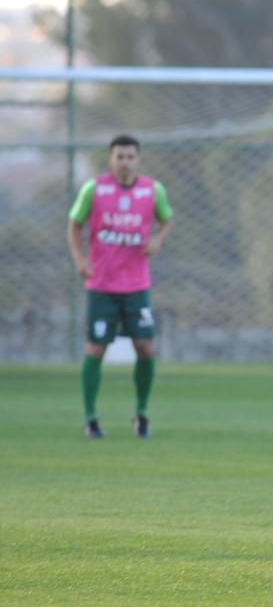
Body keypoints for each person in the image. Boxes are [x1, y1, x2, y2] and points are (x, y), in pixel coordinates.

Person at [67, 134, 174, 438]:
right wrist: (80, 259)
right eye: (119, 157)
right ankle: (90, 418)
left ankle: (141, 414)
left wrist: (157, 239)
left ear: (138, 160)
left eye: (130, 157)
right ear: (110, 159)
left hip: (136, 285)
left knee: (145, 347)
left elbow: (167, 220)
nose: (125, 162)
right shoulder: (94, 189)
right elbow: (74, 224)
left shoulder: (153, 191)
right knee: (96, 348)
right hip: (101, 284)